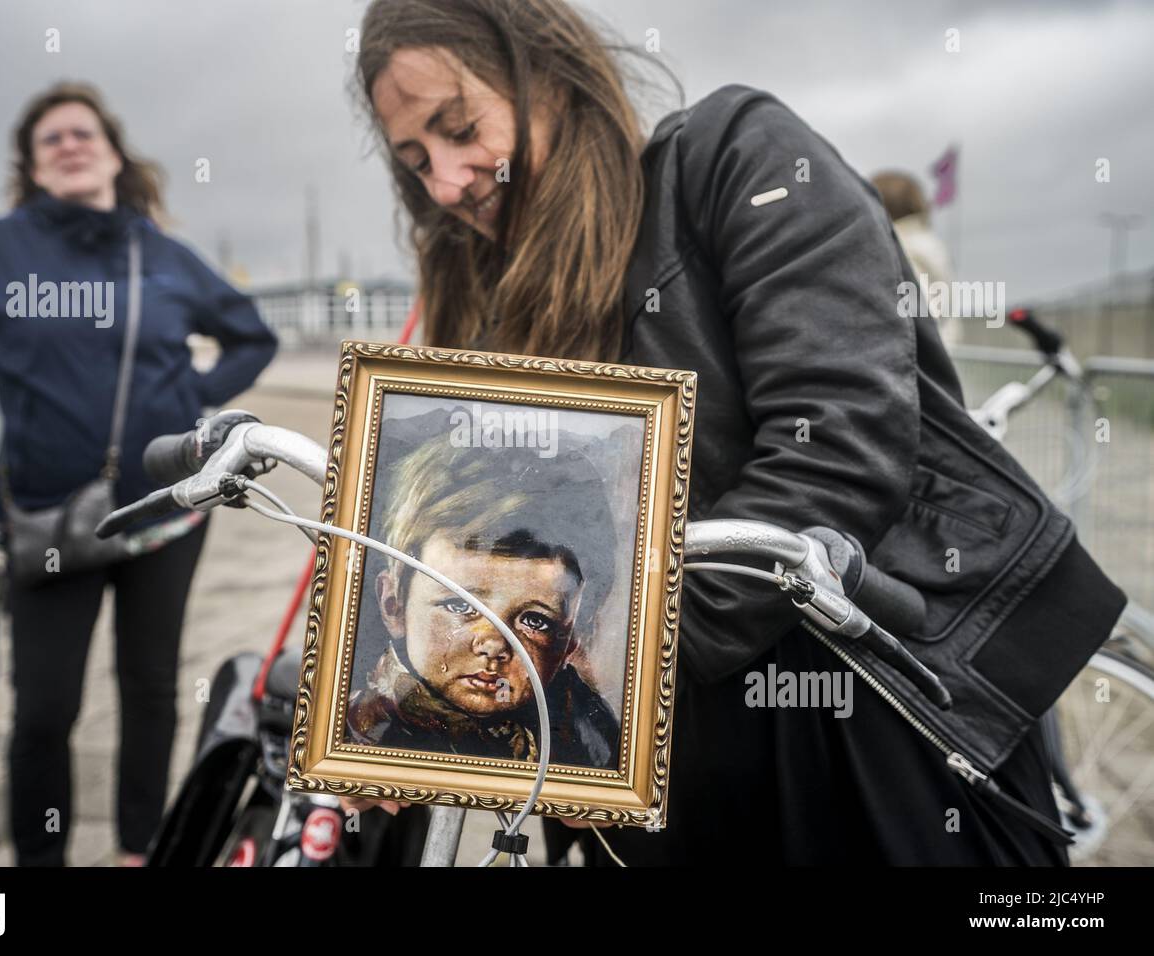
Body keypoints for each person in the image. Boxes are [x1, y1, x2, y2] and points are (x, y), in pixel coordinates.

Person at [345, 0, 1126, 864]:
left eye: (460, 127)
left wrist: (608, 673)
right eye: (415, 161)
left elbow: (840, 448)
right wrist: (400, 694)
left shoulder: (732, 156)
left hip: (864, 724)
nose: (448, 182)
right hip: (667, 779)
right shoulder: (487, 296)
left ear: (550, 76)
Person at [0, 82, 278, 865]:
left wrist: (194, 402)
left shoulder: (162, 256)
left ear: (115, 154)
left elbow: (252, 336)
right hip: (47, 519)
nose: (70, 143)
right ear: (32, 166)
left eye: (85, 132)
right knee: (45, 710)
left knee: (152, 691)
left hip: (165, 513)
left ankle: (139, 849)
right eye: (51, 139)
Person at [347, 428, 621, 769]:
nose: (493, 644)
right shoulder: (360, 724)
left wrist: (597, 795)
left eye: (535, 620)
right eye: (461, 605)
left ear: (572, 638)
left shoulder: (589, 736)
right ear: (393, 605)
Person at [871, 170, 959, 348]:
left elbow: (920, 313)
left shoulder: (901, 247)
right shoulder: (929, 243)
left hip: (913, 358)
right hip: (941, 353)